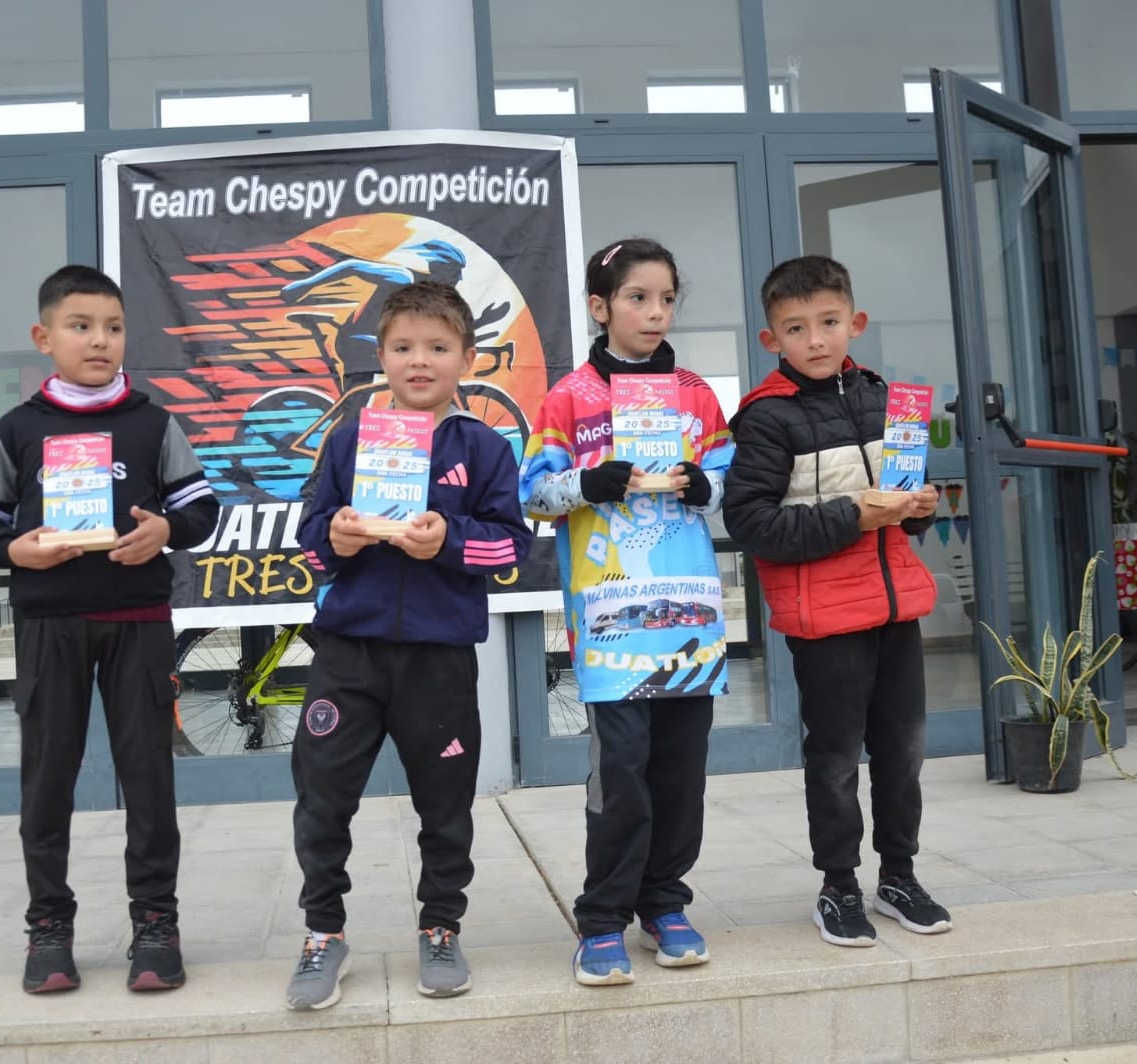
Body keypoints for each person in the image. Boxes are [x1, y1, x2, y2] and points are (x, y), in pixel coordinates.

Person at [0, 264, 221, 994]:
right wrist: (15, 550)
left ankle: (156, 925)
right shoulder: (17, 429)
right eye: (80, 327)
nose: (99, 341)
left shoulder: (153, 423)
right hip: (50, 625)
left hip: (139, 623)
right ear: (44, 338)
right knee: (47, 780)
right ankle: (48, 928)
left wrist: (165, 530)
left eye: (113, 327)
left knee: (149, 780)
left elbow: (200, 508)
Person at [286, 280, 532, 1010]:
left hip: (439, 658)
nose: (418, 361)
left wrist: (447, 541)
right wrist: (335, 539)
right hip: (348, 653)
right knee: (322, 799)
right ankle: (323, 933)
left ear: (467, 357)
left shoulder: (484, 447)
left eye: (437, 347)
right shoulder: (349, 440)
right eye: (402, 347)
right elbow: (310, 543)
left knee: (445, 806)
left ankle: (441, 927)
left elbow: (512, 547)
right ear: (382, 357)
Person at [519, 237, 735, 987]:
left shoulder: (696, 394)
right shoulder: (570, 397)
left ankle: (665, 903)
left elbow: (731, 479)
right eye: (638, 297)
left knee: (681, 772)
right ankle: (603, 918)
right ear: (600, 306)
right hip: (610, 621)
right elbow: (532, 494)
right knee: (620, 773)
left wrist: (704, 485)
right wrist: (591, 482)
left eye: (667, 299)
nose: (655, 312)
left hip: (691, 618)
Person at [723, 254, 950, 948]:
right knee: (836, 758)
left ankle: (899, 877)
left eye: (828, 322)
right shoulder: (766, 418)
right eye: (796, 328)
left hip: (896, 606)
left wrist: (921, 509)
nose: (815, 340)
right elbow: (752, 524)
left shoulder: (885, 399)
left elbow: (905, 504)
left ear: (856, 323)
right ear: (772, 340)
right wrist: (856, 516)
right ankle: (839, 885)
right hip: (824, 617)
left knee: (903, 752)